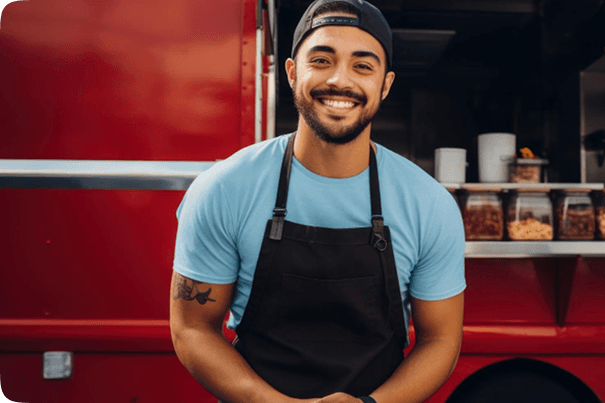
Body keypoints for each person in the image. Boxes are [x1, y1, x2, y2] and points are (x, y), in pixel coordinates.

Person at [169, 0, 466, 402]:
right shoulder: (225, 188)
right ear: (292, 73)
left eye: (363, 65)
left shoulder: (428, 204)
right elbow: (193, 328)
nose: (340, 80)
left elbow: (441, 340)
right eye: (322, 60)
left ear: (386, 84)